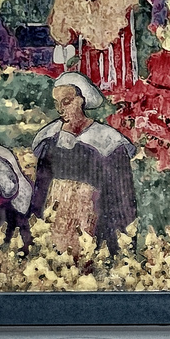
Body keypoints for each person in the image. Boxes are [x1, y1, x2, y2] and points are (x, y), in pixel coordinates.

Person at [28, 72, 137, 255]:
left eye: (67, 102)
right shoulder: (49, 139)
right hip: (56, 225)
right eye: (57, 103)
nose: (61, 110)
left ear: (82, 100)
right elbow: (40, 190)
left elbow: (122, 199)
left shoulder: (108, 142)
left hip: (95, 226)